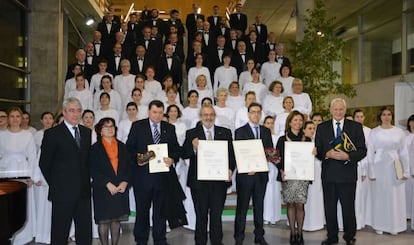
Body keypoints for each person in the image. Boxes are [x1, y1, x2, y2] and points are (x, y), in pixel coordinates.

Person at [126, 100, 185, 245]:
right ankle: (141, 240)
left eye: (160, 112)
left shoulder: (169, 128)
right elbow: (129, 149)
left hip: (163, 178)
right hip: (143, 178)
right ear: (148, 112)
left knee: (160, 213)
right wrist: (138, 158)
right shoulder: (137, 126)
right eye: (154, 112)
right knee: (142, 212)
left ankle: (160, 240)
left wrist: (172, 158)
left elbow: (176, 149)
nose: (157, 115)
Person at [39, 97, 92, 245]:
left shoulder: (87, 132)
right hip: (62, 193)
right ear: (64, 112)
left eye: (78, 111)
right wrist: (57, 183)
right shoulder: (52, 134)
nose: (76, 114)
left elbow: (87, 162)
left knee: (84, 234)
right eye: (71, 110)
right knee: (60, 234)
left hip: (83, 193)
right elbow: (44, 164)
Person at [315, 98, 367, 245]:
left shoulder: (355, 127)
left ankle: (349, 236)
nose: (338, 112)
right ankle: (332, 237)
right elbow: (317, 150)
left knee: (348, 208)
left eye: (341, 109)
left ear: (345, 110)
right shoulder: (322, 127)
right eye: (335, 109)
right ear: (330, 110)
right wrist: (326, 154)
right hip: (329, 175)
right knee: (329, 208)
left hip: (347, 175)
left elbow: (363, 150)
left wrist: (349, 155)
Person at [182, 105, 236, 245]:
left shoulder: (225, 132)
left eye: (211, 114)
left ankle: (217, 241)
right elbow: (184, 153)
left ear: (214, 116)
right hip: (199, 184)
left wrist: (230, 169)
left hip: (219, 183)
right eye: (205, 114)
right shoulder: (191, 133)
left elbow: (232, 155)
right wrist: (193, 147)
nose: (208, 117)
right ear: (200, 116)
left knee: (216, 215)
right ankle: (200, 242)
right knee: (201, 216)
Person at [234, 102, 273, 245]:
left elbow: (270, 152)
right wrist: (246, 167)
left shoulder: (266, 131)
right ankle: (239, 236)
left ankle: (259, 236)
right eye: (253, 112)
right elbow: (238, 153)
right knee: (242, 207)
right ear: (248, 114)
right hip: (245, 176)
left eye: (258, 112)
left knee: (259, 206)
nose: (256, 114)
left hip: (261, 176)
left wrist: (271, 155)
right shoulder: (240, 131)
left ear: (261, 114)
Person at [367, 107, 410, 235]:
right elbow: (370, 152)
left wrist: (406, 170)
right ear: (380, 116)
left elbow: (404, 152)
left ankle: (394, 226)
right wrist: (372, 171)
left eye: (389, 114)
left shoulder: (399, 132)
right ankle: (380, 224)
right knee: (380, 195)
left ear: (392, 116)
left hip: (394, 165)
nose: (386, 117)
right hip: (379, 165)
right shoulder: (374, 132)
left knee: (395, 196)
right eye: (384, 114)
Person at [90, 117, 131, 245]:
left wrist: (125, 182)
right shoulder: (94, 148)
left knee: (116, 221)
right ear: (100, 131)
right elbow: (92, 169)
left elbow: (129, 167)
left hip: (120, 188)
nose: (110, 129)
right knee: (103, 221)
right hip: (103, 188)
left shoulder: (123, 146)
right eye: (106, 127)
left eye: (112, 126)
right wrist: (107, 183)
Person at [0, 107, 38, 245]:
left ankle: (22, 237)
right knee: (5, 206)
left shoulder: (28, 135)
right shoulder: (1, 135)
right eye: (12, 116)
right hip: (5, 172)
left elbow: (32, 157)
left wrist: (32, 177)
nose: (15, 119)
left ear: (22, 118)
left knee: (21, 206)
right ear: (8, 119)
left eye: (18, 116)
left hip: (22, 171)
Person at [276, 111, 312, 244]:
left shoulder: (307, 139)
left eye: (300, 120)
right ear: (290, 122)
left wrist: (314, 152)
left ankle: (300, 232)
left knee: (300, 205)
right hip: (288, 177)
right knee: (290, 204)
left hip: (302, 177)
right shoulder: (282, 139)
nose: (298, 123)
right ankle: (292, 232)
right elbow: (277, 158)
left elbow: (310, 159)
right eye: (295, 120)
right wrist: (281, 169)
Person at [302, 121, 325, 232]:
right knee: (307, 196)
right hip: (305, 173)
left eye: (313, 129)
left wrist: (318, 153)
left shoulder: (318, 142)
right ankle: (304, 223)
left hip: (317, 171)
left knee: (316, 196)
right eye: (309, 128)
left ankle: (317, 222)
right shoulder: (300, 142)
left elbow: (322, 156)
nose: (312, 131)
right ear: (304, 130)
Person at [262, 116, 282, 225]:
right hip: (265, 166)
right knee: (267, 192)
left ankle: (275, 216)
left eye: (271, 123)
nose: (270, 125)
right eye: (267, 123)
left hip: (275, 167)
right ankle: (266, 216)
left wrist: (275, 158)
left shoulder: (278, 137)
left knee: (275, 192)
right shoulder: (263, 136)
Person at [405, 114, 414, 230]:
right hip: (407, 167)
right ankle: (407, 214)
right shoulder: (405, 136)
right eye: (411, 122)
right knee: (407, 192)